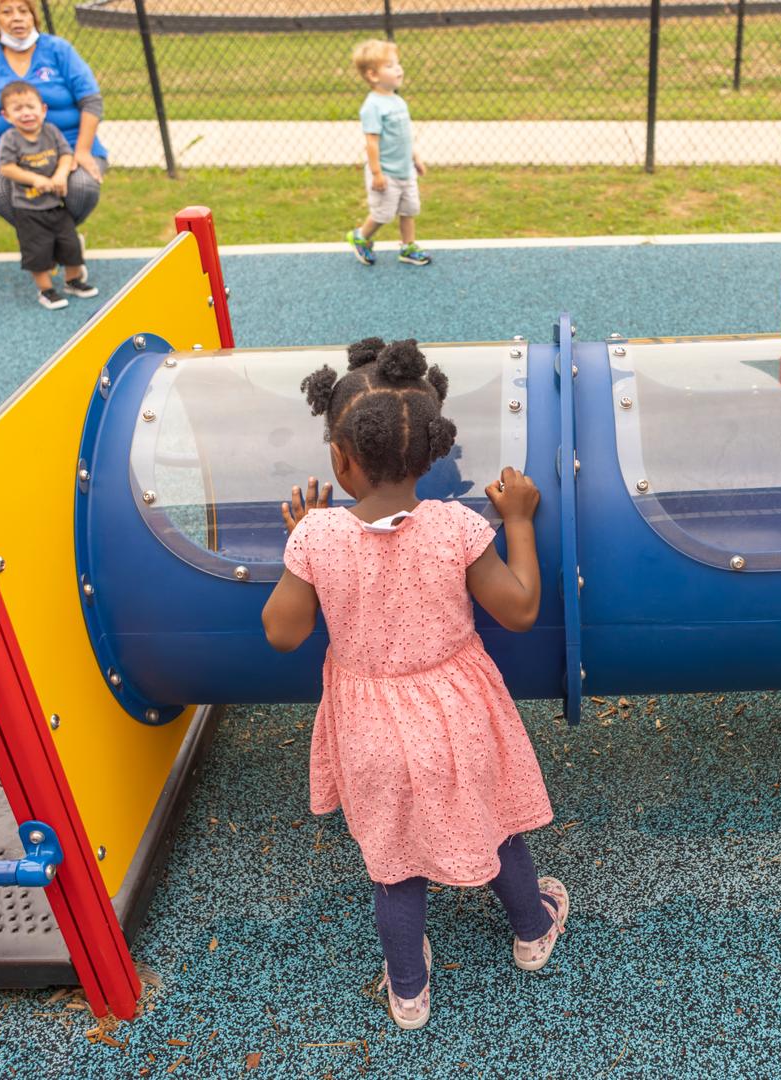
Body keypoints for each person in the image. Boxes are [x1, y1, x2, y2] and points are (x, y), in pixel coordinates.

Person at [261, 338, 565, 1029]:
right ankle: (531, 928)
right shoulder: (459, 527)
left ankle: (407, 988)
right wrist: (516, 520)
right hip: (457, 715)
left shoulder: (318, 538)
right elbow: (519, 610)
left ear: (339, 458)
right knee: (496, 829)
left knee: (394, 863)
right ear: (434, 451)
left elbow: (281, 631)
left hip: (369, 729)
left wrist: (301, 547)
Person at [0, 0, 107, 270]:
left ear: (33, 16)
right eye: (7, 11)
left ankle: (58, 241)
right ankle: (62, 242)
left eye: (23, 10)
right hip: (5, 153)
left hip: (69, 145)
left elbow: (91, 101)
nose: (17, 18)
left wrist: (83, 151)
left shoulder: (58, 50)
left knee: (83, 187)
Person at [0, 82, 97, 310]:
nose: (26, 113)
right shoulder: (10, 139)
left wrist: (60, 175)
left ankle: (73, 281)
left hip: (55, 205)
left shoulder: (51, 131)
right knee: (38, 254)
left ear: (43, 109)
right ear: (7, 115)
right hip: (28, 209)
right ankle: (46, 290)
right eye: (18, 109)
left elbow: (66, 155)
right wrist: (35, 179)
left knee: (70, 246)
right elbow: (7, 168)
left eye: (30, 106)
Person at [346, 41, 431, 268]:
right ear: (373, 75)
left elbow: (405, 136)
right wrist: (377, 173)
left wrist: (416, 158)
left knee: (409, 209)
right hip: (386, 173)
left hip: (405, 171)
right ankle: (361, 237)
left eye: (398, 64)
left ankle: (408, 246)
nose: (398, 69)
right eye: (390, 65)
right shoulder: (372, 106)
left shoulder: (398, 101)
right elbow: (372, 143)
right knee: (383, 214)